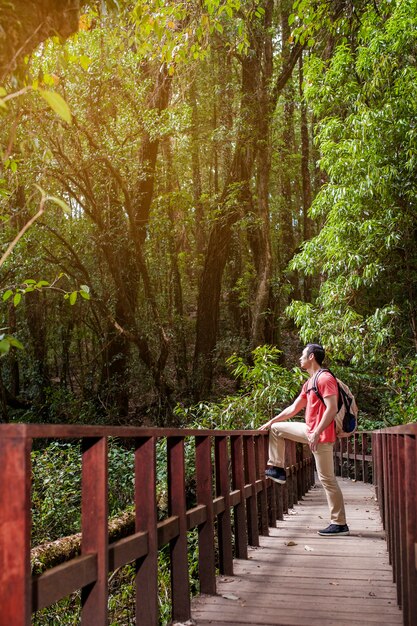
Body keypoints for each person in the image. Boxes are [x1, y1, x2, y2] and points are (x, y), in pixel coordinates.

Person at [259, 343, 349, 537]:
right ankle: (276, 468)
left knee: (327, 479)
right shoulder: (309, 383)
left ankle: (340, 523)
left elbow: (332, 409)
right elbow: (293, 409)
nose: (300, 358)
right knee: (276, 429)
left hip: (322, 436)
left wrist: (317, 432)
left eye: (302, 355)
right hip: (310, 431)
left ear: (311, 357)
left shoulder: (325, 378)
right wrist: (271, 421)